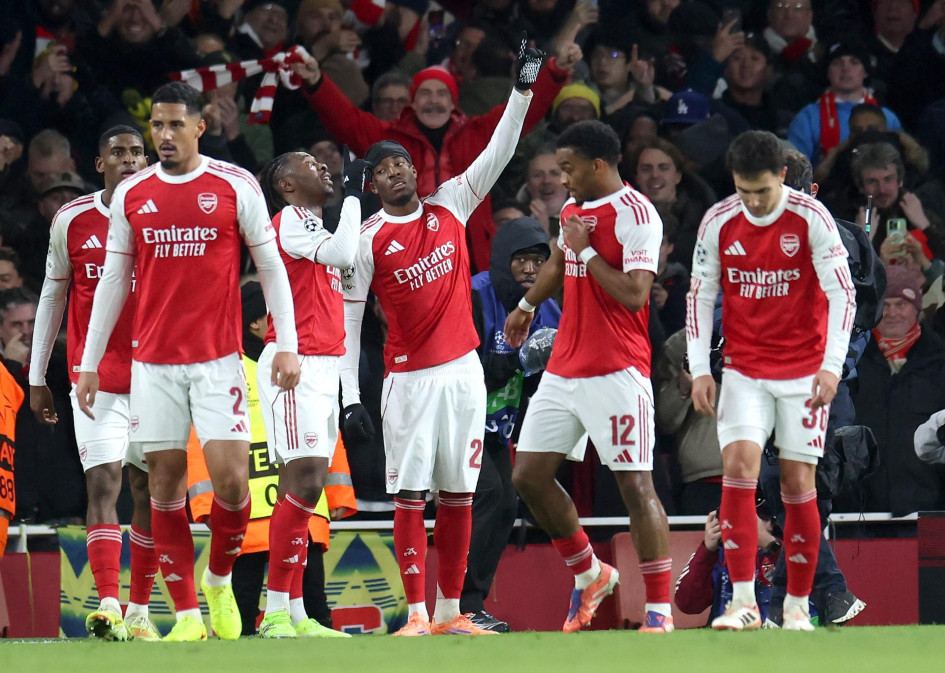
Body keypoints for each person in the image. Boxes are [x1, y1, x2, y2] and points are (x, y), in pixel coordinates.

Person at [75, 81, 301, 642]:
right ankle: (187, 617)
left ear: (200, 127)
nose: (165, 135)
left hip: (218, 361)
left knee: (230, 486)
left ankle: (218, 577)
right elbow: (111, 281)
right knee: (163, 488)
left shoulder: (234, 184)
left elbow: (270, 268)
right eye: (158, 125)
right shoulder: (135, 195)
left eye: (176, 124)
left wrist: (288, 341)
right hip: (151, 365)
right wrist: (88, 361)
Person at [338, 49, 544, 637]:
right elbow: (351, 324)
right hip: (409, 380)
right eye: (385, 169)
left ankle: (451, 612)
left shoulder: (451, 202)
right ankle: (414, 615)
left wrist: (522, 93)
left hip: (464, 375)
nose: (399, 172)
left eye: (403, 163)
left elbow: (498, 151)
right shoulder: (366, 240)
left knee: (459, 491)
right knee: (410, 497)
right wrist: (351, 397)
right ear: (373, 185)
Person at [504, 120, 674, 634]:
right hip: (563, 369)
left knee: (635, 487)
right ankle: (590, 572)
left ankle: (660, 612)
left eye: (569, 168)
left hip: (618, 371)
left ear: (597, 165)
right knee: (527, 475)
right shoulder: (574, 211)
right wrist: (527, 305)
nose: (562, 178)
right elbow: (559, 261)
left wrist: (587, 250)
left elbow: (635, 294)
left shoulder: (638, 214)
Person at [686, 130, 857, 631]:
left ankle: (798, 607)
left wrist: (831, 365)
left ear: (783, 176)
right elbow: (700, 295)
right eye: (744, 191)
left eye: (762, 190)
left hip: (805, 371)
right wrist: (700, 369)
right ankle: (742, 604)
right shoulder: (718, 220)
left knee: (797, 483)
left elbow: (842, 295)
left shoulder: (812, 218)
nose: (754, 202)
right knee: (738, 469)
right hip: (744, 371)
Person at [28, 125, 160, 642]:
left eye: (135, 152)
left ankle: (141, 611)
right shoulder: (72, 219)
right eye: (117, 153)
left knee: (149, 491)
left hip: (158, 377)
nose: (128, 160)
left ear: (146, 161)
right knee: (103, 483)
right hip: (96, 378)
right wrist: (38, 377)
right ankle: (107, 603)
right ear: (99, 163)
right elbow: (51, 297)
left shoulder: (163, 215)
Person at [292, 36, 579, 272]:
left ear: (453, 102)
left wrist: (555, 72)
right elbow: (345, 120)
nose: (433, 101)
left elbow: (522, 115)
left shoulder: (477, 132)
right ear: (413, 102)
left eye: (441, 93)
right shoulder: (388, 138)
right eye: (425, 94)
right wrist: (316, 81)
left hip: (472, 256)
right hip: (407, 257)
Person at [251, 148, 364, 638]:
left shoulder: (312, 226)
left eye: (323, 162)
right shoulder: (291, 219)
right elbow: (344, 253)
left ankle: (296, 613)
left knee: (310, 486)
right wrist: (357, 196)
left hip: (322, 364)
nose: (321, 166)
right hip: (294, 363)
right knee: (302, 480)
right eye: (307, 163)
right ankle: (274, 610)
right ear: (286, 185)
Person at [464, 216, 561, 631]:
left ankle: (473, 606)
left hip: (498, 426)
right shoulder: (474, 294)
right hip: (459, 417)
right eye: (520, 260)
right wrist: (519, 359)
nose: (529, 270)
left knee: (506, 504)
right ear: (503, 261)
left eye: (538, 261)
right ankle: (458, 604)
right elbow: (461, 367)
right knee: (488, 494)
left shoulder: (550, 305)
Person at [849, 264, 945, 515]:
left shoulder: (940, 362)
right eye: (885, 305)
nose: (891, 313)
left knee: (927, 557)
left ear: (917, 309)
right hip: (857, 511)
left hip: (928, 509)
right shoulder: (848, 362)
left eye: (900, 304)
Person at [787, 41, 902, 166]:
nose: (845, 69)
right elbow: (796, 170)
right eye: (837, 63)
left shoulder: (887, 117)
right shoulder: (808, 117)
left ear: (866, 71)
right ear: (827, 72)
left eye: (854, 62)